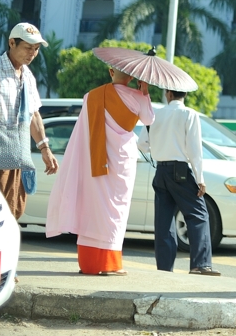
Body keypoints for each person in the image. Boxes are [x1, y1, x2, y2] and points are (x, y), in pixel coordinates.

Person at [45, 66, 154, 275]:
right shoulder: (138, 96)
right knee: (116, 209)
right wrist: (145, 90)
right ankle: (109, 264)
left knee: (92, 207)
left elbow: (82, 133)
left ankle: (90, 264)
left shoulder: (92, 96)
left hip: (95, 158)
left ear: (111, 72)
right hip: (121, 160)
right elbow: (149, 120)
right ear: (132, 76)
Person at [0, 24, 58, 219]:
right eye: (28, 47)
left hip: (18, 157)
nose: (32, 53)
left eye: (36, 49)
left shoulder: (28, 76)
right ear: (11, 43)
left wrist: (45, 149)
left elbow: (34, 115)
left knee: (14, 212)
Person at [145, 88, 219, 275]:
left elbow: (141, 144)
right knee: (198, 215)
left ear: (168, 93)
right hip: (180, 171)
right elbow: (195, 150)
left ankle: (164, 269)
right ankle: (200, 265)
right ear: (184, 94)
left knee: (164, 222)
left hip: (160, 170)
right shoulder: (189, 114)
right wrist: (200, 178)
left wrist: (159, 144)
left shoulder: (155, 114)